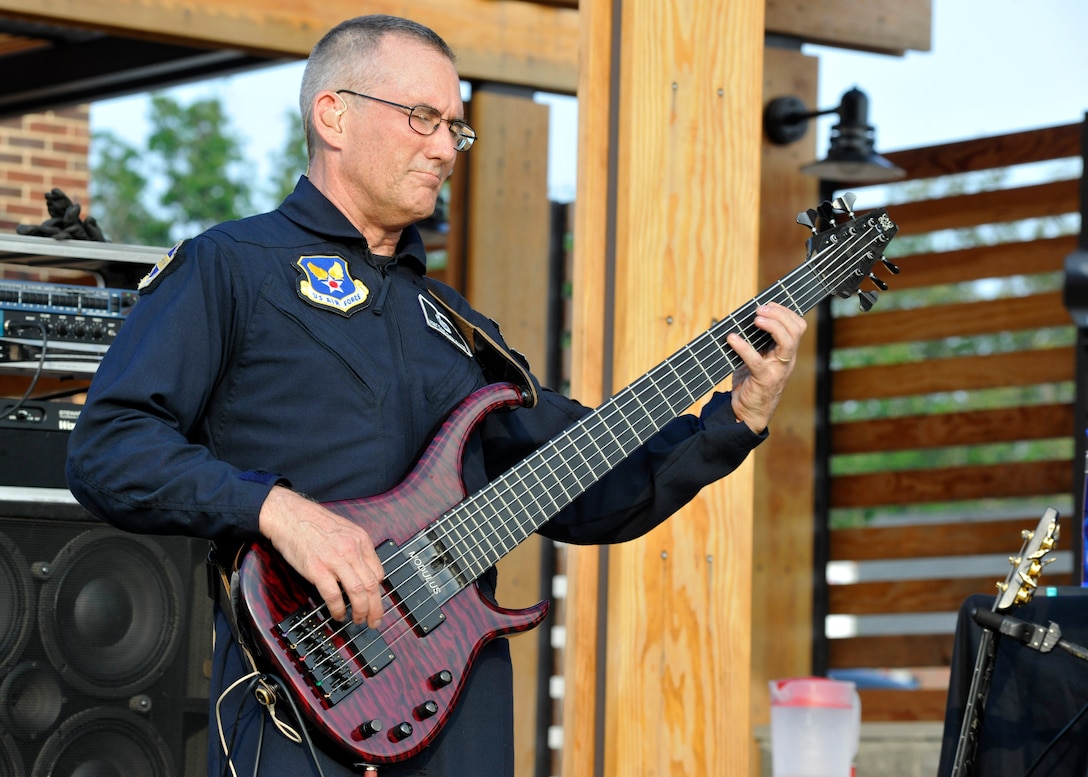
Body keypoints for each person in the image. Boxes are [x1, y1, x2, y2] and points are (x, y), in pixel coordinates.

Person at [65, 13, 807, 777]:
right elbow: (108, 447)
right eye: (424, 117)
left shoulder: (456, 324)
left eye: (457, 126)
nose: (445, 146)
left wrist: (735, 418)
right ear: (334, 114)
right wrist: (276, 510)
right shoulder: (229, 266)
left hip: (457, 711)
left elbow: (591, 488)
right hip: (301, 702)